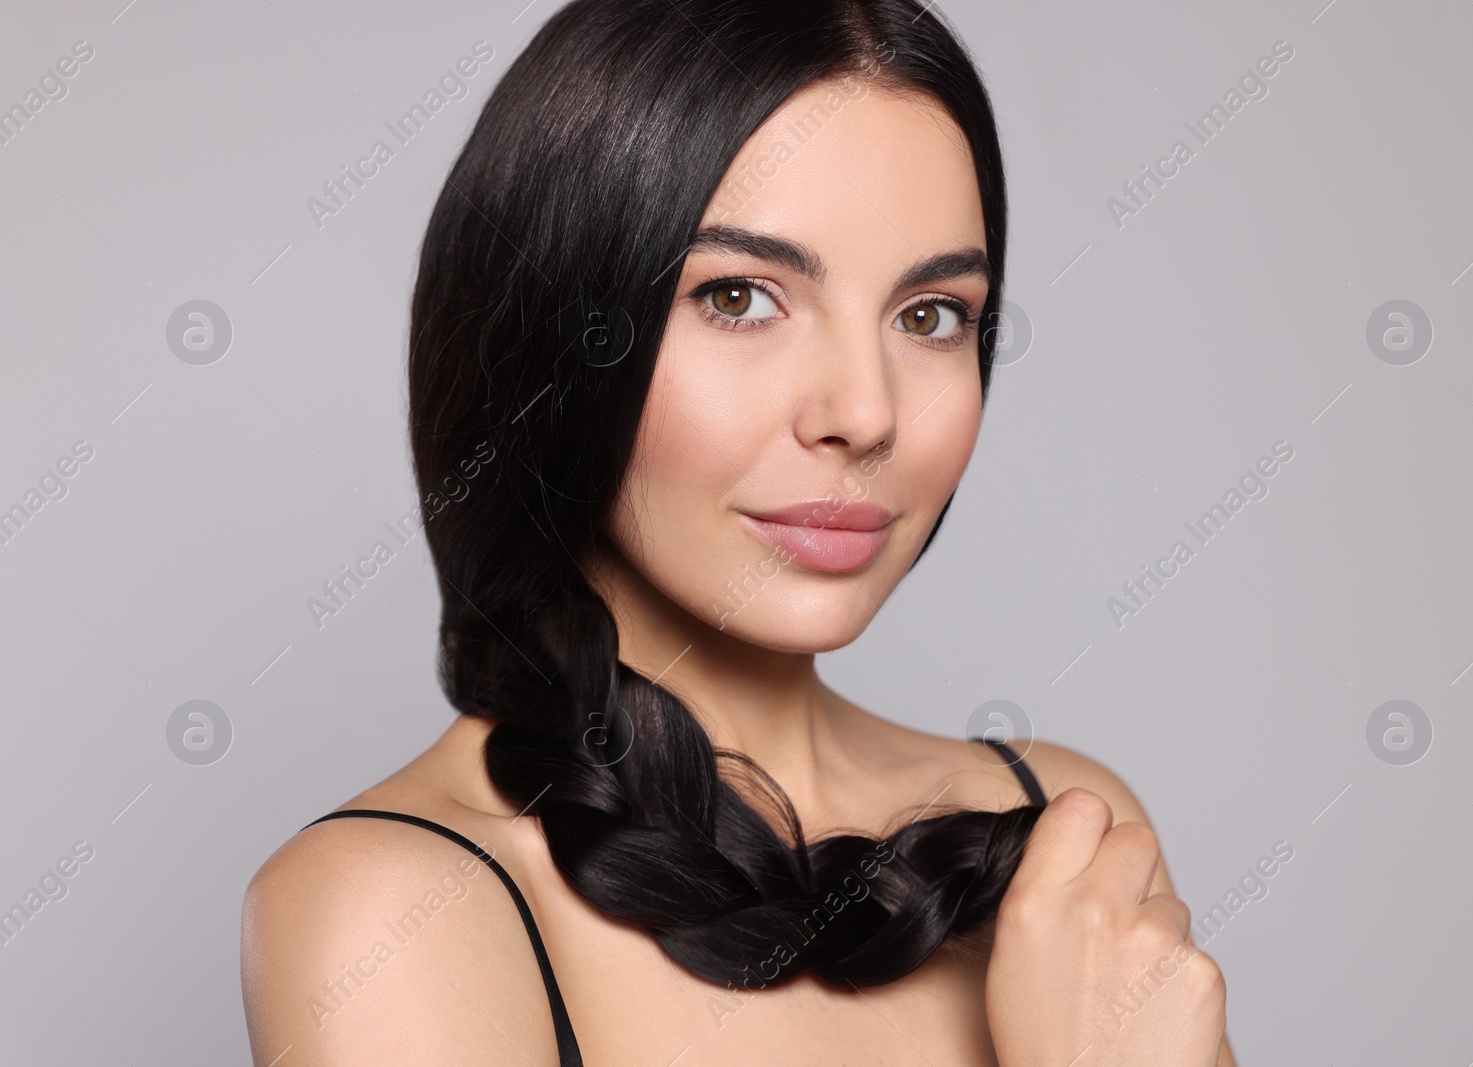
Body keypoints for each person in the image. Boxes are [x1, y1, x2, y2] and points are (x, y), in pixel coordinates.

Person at [242, 1, 1235, 1063]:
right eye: (739, 296)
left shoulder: (1064, 835)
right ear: (557, 339)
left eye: (929, 314)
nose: (866, 411)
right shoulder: (393, 909)